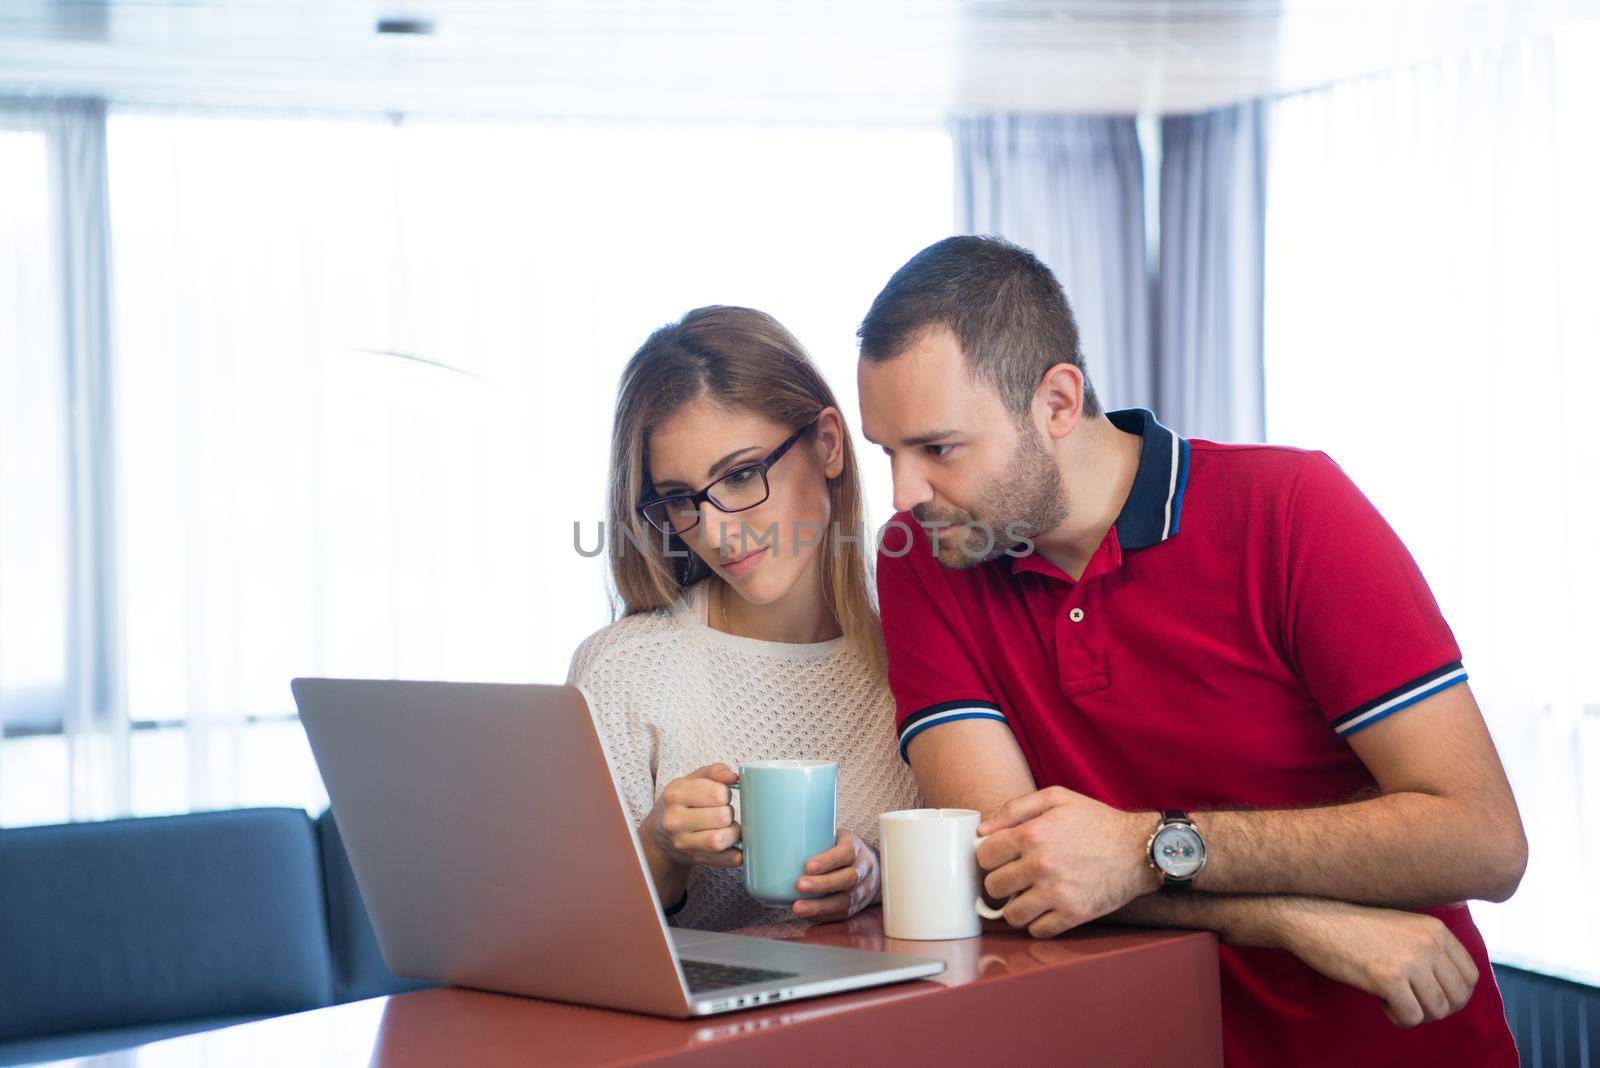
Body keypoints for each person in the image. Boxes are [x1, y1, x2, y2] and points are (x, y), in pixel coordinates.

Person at [855, 235, 1526, 1065]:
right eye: (887, 451)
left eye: (938, 448)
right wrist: (1282, 912)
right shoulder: (924, 553)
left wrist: (1149, 851)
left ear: (1058, 404)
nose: (904, 492)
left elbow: (1485, 841)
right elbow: (1014, 869)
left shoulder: (1292, 510)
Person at [568, 305, 918, 932]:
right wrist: (659, 852)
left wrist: (877, 876)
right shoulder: (623, 672)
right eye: (679, 499)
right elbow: (577, 936)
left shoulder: (921, 649)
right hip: (696, 1030)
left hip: (896, 1017)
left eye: (741, 474)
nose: (716, 531)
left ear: (828, 445)